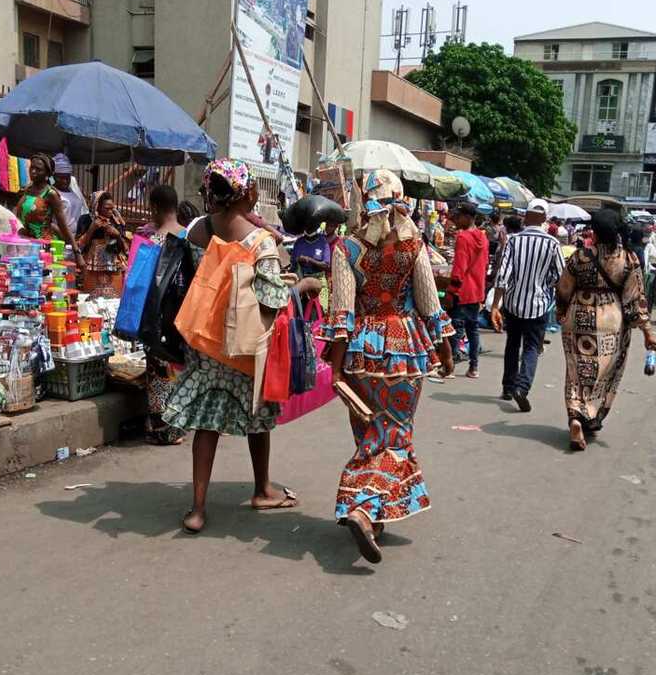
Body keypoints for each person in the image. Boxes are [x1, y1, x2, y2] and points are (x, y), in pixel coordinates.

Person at [323, 169, 454, 563]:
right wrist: (446, 353)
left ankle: (373, 514)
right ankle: (363, 507)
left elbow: (342, 312)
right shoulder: (414, 248)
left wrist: (337, 368)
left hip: (361, 352)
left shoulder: (346, 248)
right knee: (394, 436)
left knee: (368, 432)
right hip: (404, 350)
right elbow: (430, 305)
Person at [161, 159, 299, 534]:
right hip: (242, 347)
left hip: (203, 342)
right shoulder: (259, 241)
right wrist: (300, 288)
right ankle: (262, 488)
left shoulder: (198, 232)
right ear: (249, 193)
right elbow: (272, 299)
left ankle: (198, 508)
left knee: (206, 426)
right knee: (259, 416)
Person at [556, 210, 656, 451]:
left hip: (577, 318)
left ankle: (575, 416)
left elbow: (563, 288)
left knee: (576, 371)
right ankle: (591, 415)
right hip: (611, 321)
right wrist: (647, 332)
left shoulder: (580, 256)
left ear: (595, 231)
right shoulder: (628, 258)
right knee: (604, 372)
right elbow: (635, 300)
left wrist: (561, 311)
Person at [491, 198, 564, 412]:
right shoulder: (552, 244)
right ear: (544, 218)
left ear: (526, 216)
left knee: (512, 344)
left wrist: (495, 305)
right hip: (539, 305)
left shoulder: (513, 241)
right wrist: (549, 287)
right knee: (532, 347)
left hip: (513, 303)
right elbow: (560, 276)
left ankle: (508, 387)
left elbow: (503, 276)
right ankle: (522, 387)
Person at [141, 184, 187, 446]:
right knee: (180, 370)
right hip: (184, 318)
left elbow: (143, 285)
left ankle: (164, 430)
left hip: (159, 320)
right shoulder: (190, 238)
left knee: (159, 373)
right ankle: (180, 425)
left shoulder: (154, 242)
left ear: (155, 207)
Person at [14, 153, 84, 266]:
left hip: (44, 249)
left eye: (38, 169)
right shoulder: (27, 190)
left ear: (47, 174)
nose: (33, 172)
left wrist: (77, 253)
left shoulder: (50, 194)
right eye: (32, 167)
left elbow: (63, 226)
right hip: (26, 246)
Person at [446, 201, 488, 379]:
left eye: (459, 216)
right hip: (477, 289)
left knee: (457, 327)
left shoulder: (463, 237)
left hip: (463, 290)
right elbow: (484, 264)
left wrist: (451, 290)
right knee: (473, 329)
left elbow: (459, 267)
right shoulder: (482, 237)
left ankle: (451, 367)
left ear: (467, 217)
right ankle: (474, 367)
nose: (456, 219)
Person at [75, 191, 130, 297]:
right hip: (92, 269)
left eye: (112, 208)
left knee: (113, 300)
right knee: (91, 300)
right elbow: (79, 245)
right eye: (106, 208)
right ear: (97, 206)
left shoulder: (117, 221)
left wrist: (117, 235)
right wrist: (92, 228)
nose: (110, 212)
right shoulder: (86, 220)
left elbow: (125, 249)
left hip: (113, 268)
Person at [52, 153, 86, 229]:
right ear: (54, 176)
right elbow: (51, 223)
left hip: (76, 236)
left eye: (67, 177)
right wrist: (66, 238)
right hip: (60, 238)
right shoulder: (52, 193)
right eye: (60, 177)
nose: (65, 181)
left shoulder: (72, 188)